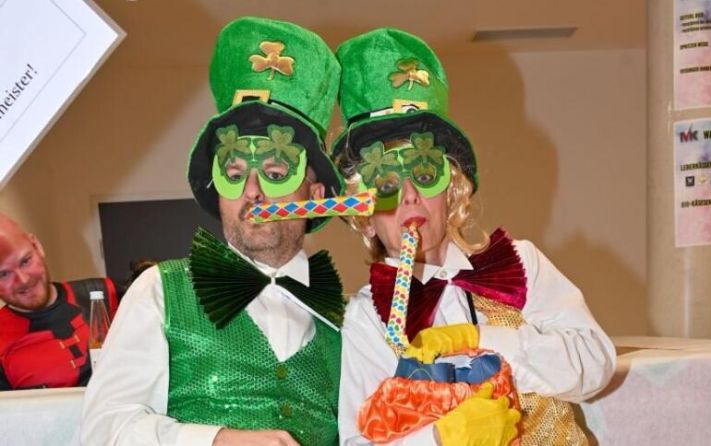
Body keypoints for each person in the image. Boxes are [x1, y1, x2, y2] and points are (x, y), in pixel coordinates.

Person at [331, 28, 616, 445]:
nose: (409, 196)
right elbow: (359, 441)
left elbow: (595, 363)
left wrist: (485, 341)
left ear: (451, 192)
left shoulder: (520, 264)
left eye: (424, 173)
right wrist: (441, 439)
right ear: (367, 218)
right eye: (386, 184)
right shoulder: (367, 317)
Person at [81, 17, 346, 446]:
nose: (252, 192)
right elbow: (102, 431)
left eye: (275, 171)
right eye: (234, 174)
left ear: (315, 194)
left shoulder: (347, 320)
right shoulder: (159, 292)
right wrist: (216, 440)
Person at [0, 213, 120, 390]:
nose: (23, 280)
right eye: (3, 274)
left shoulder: (106, 293)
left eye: (25, 261)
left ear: (37, 246)